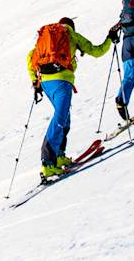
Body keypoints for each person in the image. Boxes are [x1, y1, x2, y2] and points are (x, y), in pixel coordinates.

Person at [27, 17, 112, 177]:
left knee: (64, 117)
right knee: (60, 118)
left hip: (46, 83)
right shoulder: (71, 35)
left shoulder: (46, 39)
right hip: (62, 81)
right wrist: (109, 39)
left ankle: (59, 156)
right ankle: (48, 162)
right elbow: (97, 51)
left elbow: (30, 58)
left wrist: (35, 81)